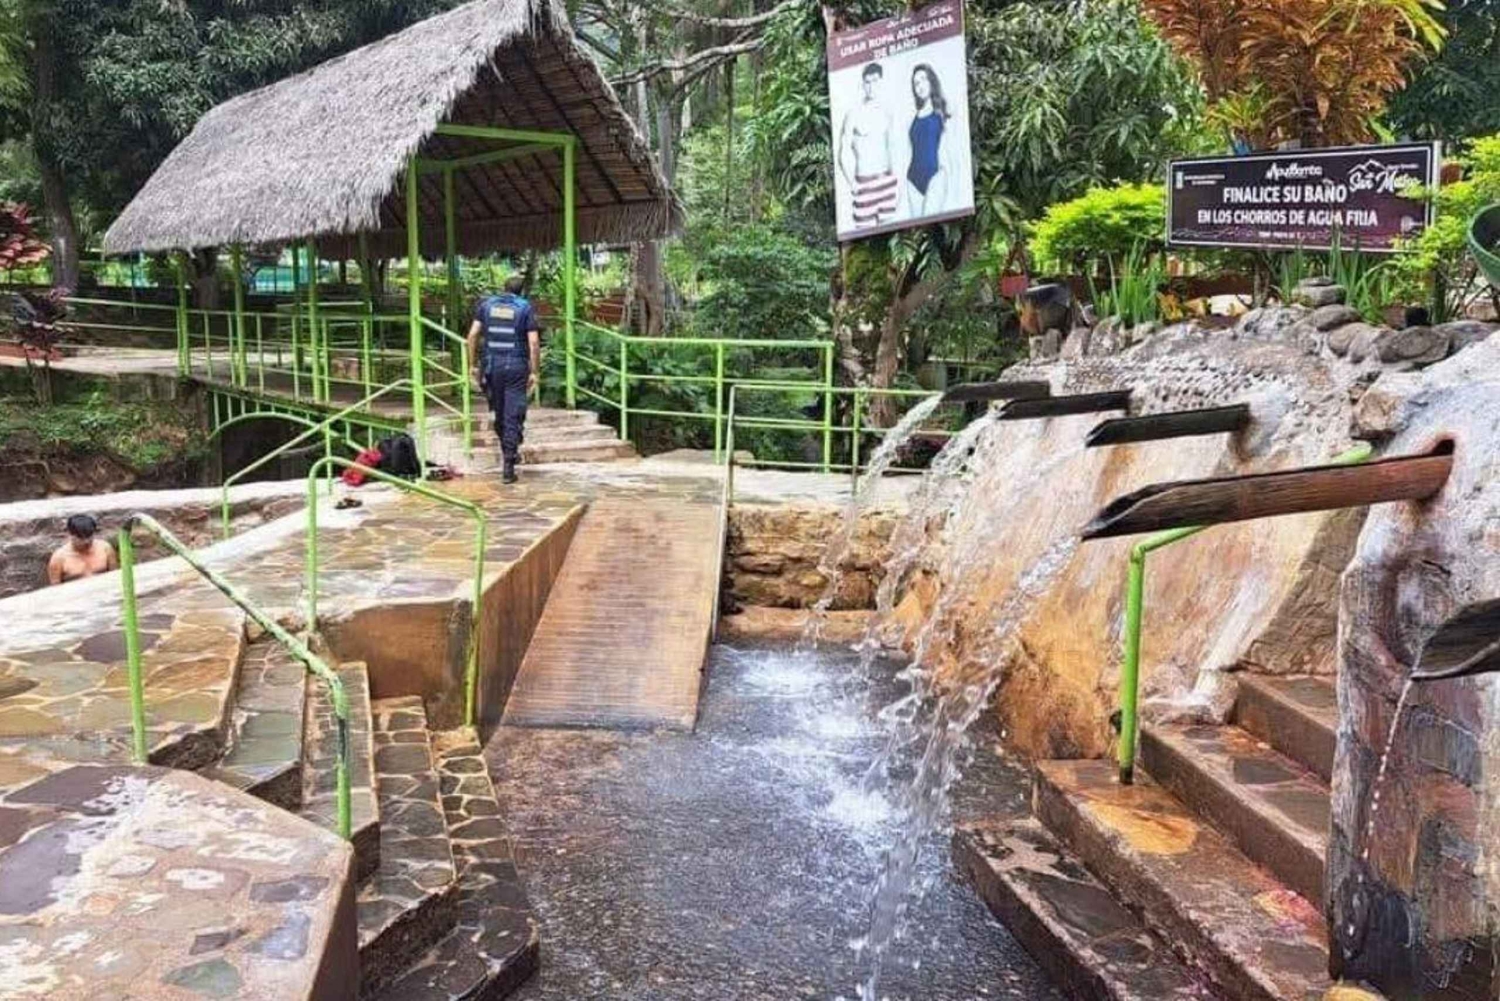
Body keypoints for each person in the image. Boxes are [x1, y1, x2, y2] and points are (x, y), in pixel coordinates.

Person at [468, 275, 541, 484]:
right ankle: (509, 463)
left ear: (504, 288)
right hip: (516, 366)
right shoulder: (524, 307)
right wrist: (535, 372)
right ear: (521, 291)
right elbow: (534, 343)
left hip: (491, 366)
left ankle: (509, 449)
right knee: (514, 413)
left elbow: (472, 336)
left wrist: (472, 366)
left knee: (500, 412)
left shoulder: (487, 305)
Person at [838, 62, 900, 231]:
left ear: (881, 81)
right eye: (868, 82)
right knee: (865, 242)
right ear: (863, 84)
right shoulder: (854, 113)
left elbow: (893, 146)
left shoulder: (887, 111)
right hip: (864, 183)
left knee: (891, 237)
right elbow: (843, 152)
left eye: (875, 81)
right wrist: (852, 184)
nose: (872, 86)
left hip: (887, 181)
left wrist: (895, 178)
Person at [905, 63, 958, 219]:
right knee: (918, 231)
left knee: (931, 223)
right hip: (912, 179)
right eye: (916, 83)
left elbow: (952, 146)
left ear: (931, 81)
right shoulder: (912, 115)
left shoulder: (944, 110)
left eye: (923, 79)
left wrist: (949, 172)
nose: (920, 85)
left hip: (936, 176)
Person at [47, 514, 117, 585]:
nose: (86, 541)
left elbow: (114, 577)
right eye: (81, 538)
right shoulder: (59, 558)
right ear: (70, 534)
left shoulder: (105, 548)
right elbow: (56, 587)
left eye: (89, 536)